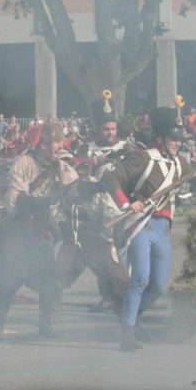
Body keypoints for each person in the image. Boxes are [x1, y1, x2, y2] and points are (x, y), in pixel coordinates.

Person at [102, 106, 196, 351]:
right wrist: (127, 203)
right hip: (142, 225)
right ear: (161, 137)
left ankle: (129, 316)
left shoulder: (179, 163)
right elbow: (111, 178)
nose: (177, 144)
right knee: (140, 277)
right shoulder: (143, 157)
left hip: (163, 229)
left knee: (159, 286)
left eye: (179, 140)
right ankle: (127, 331)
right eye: (173, 139)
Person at [0, 122, 78, 338]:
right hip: (19, 230)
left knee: (50, 283)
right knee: (9, 281)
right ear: (43, 144)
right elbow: (12, 200)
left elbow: (75, 189)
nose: (58, 146)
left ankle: (46, 326)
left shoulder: (62, 168)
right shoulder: (24, 164)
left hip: (42, 232)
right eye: (54, 142)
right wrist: (43, 202)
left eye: (60, 141)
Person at [56, 92, 129, 314]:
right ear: (98, 128)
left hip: (113, 214)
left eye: (113, 129)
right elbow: (70, 166)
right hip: (85, 216)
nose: (110, 133)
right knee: (66, 264)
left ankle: (112, 299)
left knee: (109, 262)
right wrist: (94, 161)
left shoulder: (127, 149)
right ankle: (51, 301)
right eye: (106, 129)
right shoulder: (86, 149)